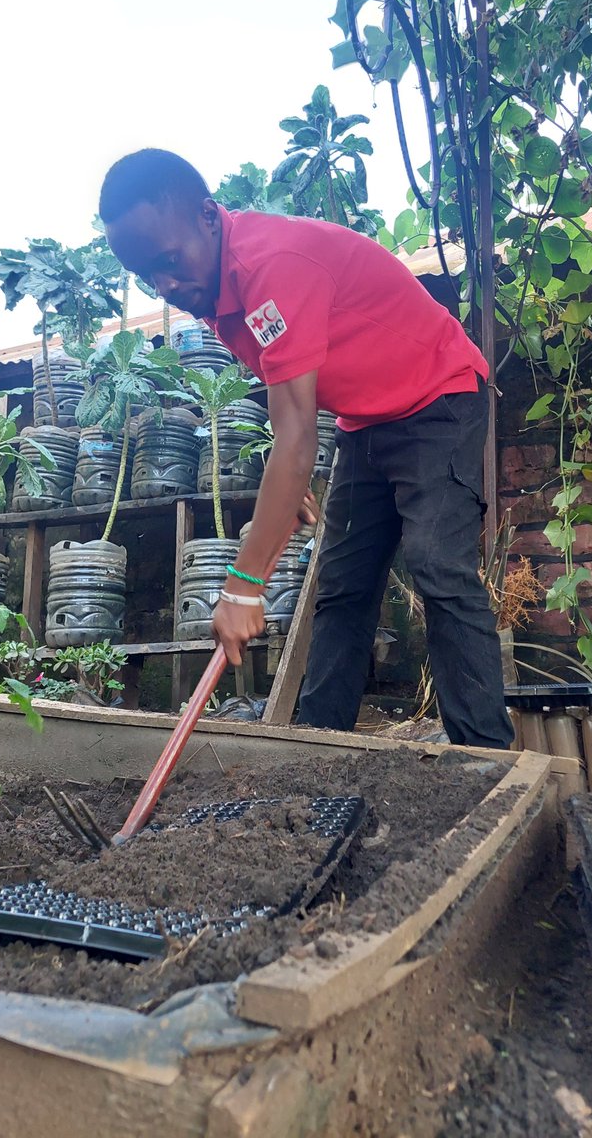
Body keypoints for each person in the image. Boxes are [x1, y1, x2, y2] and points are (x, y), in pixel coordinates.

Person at [99, 149, 512, 750]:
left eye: (168, 261)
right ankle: (320, 753)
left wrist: (243, 585)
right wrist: (290, 487)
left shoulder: (272, 266)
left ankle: (486, 758)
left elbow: (292, 435)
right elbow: (297, 399)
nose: (165, 285)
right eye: (147, 275)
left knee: (437, 564)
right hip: (364, 419)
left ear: (209, 219)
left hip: (438, 395)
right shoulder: (214, 290)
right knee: (343, 584)